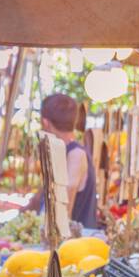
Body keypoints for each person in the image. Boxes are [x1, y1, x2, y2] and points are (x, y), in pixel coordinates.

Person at [33, 92, 99, 231]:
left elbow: (62, 212)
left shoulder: (75, 155)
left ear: (45, 123)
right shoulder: (63, 153)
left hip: (75, 248)